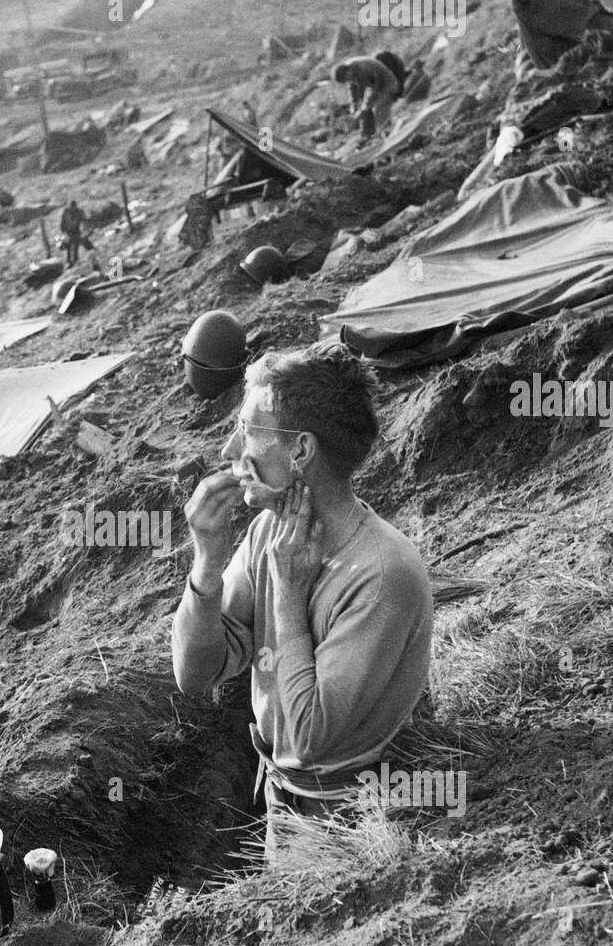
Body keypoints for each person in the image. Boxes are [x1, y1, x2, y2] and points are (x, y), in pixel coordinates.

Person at [171, 345, 433, 859]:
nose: (229, 449)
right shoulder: (271, 531)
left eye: (248, 430)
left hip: (360, 825)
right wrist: (206, 564)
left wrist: (289, 598)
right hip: (285, 801)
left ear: (301, 452)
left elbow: (310, 737)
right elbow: (194, 674)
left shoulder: (382, 574)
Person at [331, 57, 399, 141]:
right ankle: (367, 136)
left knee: (377, 109)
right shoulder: (350, 71)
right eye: (347, 80)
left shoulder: (363, 69)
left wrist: (362, 110)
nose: (349, 81)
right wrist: (354, 110)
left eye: (347, 78)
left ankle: (388, 133)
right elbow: (352, 91)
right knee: (363, 110)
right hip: (373, 87)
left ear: (347, 71)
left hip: (387, 85)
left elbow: (373, 90)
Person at [60, 199, 86, 267]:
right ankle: (69, 262)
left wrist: (83, 229)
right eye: (72, 206)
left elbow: (84, 219)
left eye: (73, 206)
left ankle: (76, 260)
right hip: (68, 232)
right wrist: (62, 229)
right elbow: (63, 220)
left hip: (76, 231)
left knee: (75, 247)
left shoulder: (79, 211)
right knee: (68, 247)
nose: (73, 208)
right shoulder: (66, 211)